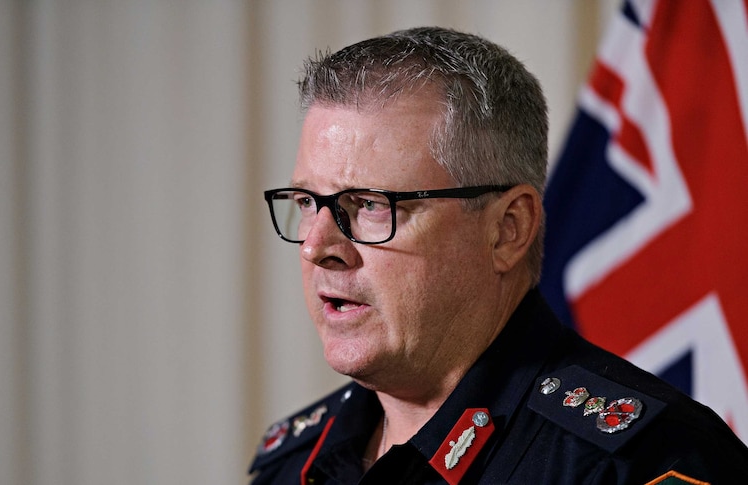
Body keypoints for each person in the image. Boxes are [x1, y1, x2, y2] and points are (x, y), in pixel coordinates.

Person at [249, 26, 748, 484]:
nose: (317, 247)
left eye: (371, 205)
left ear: (508, 230)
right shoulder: (293, 461)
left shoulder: (639, 462)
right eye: (307, 203)